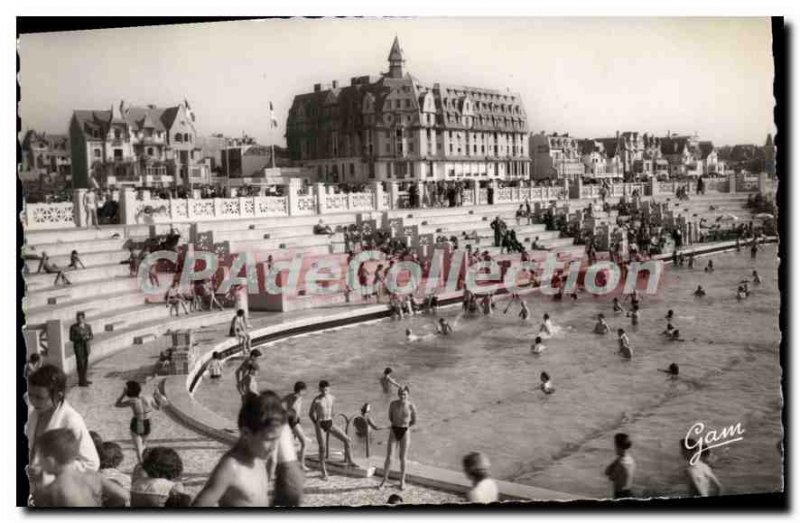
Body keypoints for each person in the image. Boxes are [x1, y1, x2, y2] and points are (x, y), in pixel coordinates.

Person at [192, 391, 303, 507]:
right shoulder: (230, 468)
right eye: (269, 439)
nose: (274, 447)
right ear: (246, 433)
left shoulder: (258, 459)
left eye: (277, 440)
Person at [26, 365, 100, 497]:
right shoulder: (35, 414)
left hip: (63, 495)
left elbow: (91, 463)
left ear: (59, 395)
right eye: (30, 395)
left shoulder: (71, 420)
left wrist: (48, 469)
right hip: (40, 492)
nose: (33, 401)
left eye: (39, 397)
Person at [32, 429, 128, 507]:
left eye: (40, 458)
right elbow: (125, 495)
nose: (37, 462)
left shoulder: (51, 490)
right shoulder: (92, 476)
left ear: (50, 461)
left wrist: (38, 482)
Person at [309, 380, 356, 480]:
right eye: (322, 389)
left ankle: (350, 461)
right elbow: (310, 413)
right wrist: (316, 423)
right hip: (320, 424)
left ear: (329, 389)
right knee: (322, 448)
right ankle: (323, 471)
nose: (324, 391)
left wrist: (332, 421)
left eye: (326, 389)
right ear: (319, 389)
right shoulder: (316, 400)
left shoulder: (332, 398)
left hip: (330, 422)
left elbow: (333, 411)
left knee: (347, 439)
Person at [379, 386, 417, 490]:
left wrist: (405, 426)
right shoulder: (393, 404)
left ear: (408, 394)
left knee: (403, 458)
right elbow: (390, 417)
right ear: (398, 394)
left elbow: (414, 421)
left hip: (405, 431)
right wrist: (396, 424)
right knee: (389, 458)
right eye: (400, 393)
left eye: (404, 394)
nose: (402, 396)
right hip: (394, 430)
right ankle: (384, 480)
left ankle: (402, 481)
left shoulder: (411, 406)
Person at [115, 381, 156, 463]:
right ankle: (147, 463)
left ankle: (142, 466)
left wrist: (123, 394)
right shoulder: (148, 397)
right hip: (147, 422)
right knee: (143, 445)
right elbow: (157, 406)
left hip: (137, 423)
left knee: (138, 449)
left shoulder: (132, 401)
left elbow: (117, 404)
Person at [282, 382, 310, 471]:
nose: (305, 392)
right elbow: (292, 408)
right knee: (304, 442)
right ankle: (301, 464)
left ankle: (289, 463)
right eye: (304, 390)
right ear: (301, 390)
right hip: (293, 421)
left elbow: (280, 404)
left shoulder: (289, 396)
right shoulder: (296, 397)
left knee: (288, 443)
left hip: (290, 421)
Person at [604, 433, 635, 498]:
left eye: (615, 446)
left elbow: (610, 476)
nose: (615, 448)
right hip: (628, 493)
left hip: (620, 495)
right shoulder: (631, 460)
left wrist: (615, 463)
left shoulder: (621, 463)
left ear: (619, 447)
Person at [69, 312, 93, 387]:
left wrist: (88, 337)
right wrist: (80, 338)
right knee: (80, 364)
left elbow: (92, 335)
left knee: (85, 363)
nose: (79, 320)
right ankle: (81, 381)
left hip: (86, 346)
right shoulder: (73, 327)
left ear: (83, 318)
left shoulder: (88, 326)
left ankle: (84, 379)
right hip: (79, 347)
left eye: (80, 318)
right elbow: (71, 338)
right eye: (78, 318)